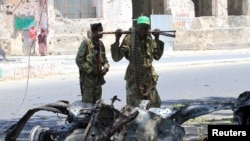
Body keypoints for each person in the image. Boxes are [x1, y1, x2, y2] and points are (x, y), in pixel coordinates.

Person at [110, 16, 164, 108]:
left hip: (148, 77)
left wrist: (157, 39)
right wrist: (117, 39)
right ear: (137, 27)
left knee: (155, 105)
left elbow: (157, 56)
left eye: (146, 27)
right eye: (141, 27)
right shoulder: (129, 39)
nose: (143, 30)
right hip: (134, 78)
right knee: (133, 107)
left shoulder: (150, 39)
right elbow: (116, 58)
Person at [75, 23, 109, 104]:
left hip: (98, 80)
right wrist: (90, 70)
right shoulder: (86, 43)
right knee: (88, 105)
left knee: (97, 105)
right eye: (100, 31)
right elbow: (79, 60)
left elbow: (104, 59)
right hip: (88, 81)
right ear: (94, 32)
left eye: (102, 30)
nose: (102, 32)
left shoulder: (100, 44)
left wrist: (106, 67)